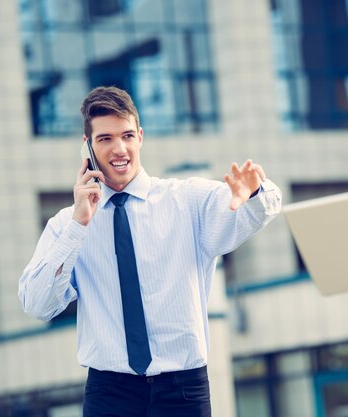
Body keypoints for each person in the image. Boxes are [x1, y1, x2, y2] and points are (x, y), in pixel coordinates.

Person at [18, 86, 282, 417]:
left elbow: (263, 207)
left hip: (183, 392)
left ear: (140, 137)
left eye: (127, 135)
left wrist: (255, 191)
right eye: (105, 139)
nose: (119, 148)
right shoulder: (66, 225)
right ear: (86, 147)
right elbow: (37, 304)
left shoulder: (187, 201)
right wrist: (78, 226)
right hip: (109, 394)